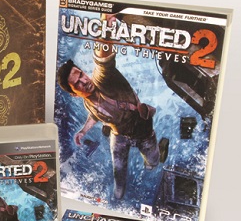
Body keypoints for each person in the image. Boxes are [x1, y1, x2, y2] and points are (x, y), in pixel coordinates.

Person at [57, 46, 168, 200]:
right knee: (119, 170)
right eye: (77, 84)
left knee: (152, 162)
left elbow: (103, 63)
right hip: (119, 134)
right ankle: (119, 193)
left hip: (141, 130)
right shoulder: (87, 102)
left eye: (81, 74)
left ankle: (154, 160)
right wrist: (83, 131)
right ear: (74, 94)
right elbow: (94, 115)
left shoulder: (103, 81)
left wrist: (104, 34)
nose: (84, 81)